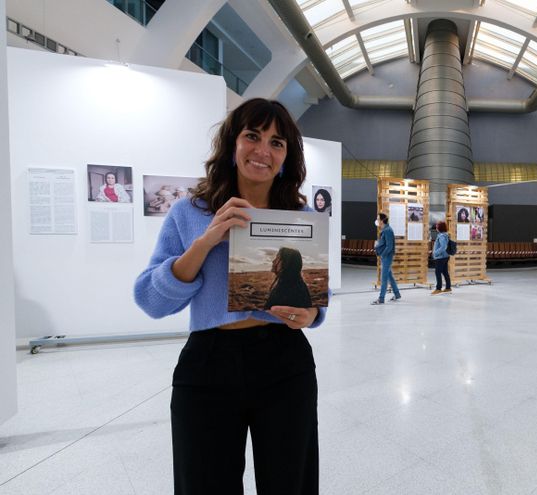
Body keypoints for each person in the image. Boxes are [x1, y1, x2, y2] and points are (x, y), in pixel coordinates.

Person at [134, 98, 326, 495]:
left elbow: (314, 300)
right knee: (203, 483)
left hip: (284, 362)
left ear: (287, 156)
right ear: (231, 144)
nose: (262, 151)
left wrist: (311, 314)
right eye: (252, 136)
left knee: (291, 482)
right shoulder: (191, 213)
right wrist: (205, 242)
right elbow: (151, 301)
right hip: (208, 362)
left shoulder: (301, 219)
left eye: (277, 142)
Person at [372, 212, 401, 304]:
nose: (377, 220)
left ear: (382, 220)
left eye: (378, 219)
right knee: (389, 277)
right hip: (385, 256)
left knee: (384, 278)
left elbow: (389, 246)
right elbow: (384, 243)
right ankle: (397, 294)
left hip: (387, 257)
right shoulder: (385, 229)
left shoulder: (388, 230)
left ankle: (381, 299)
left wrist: (383, 254)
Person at [431, 221, 452, 295]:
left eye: (437, 226)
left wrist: (436, 253)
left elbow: (443, 247)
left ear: (440, 228)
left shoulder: (441, 236)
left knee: (438, 272)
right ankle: (448, 287)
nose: (436, 227)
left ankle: (438, 288)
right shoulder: (445, 235)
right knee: (445, 272)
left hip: (440, 257)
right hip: (445, 256)